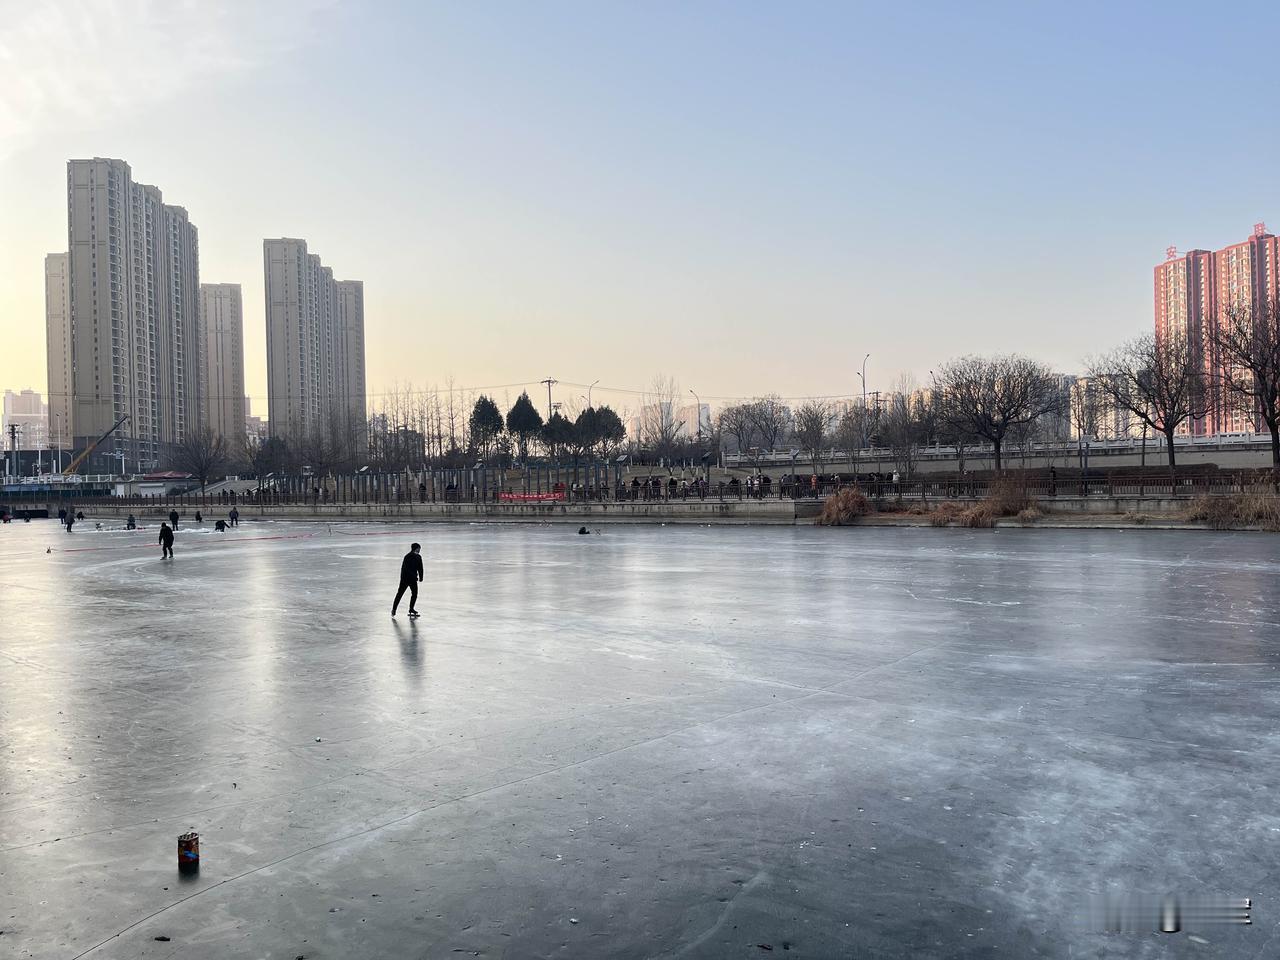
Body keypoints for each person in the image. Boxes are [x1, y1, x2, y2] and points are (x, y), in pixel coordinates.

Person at [392, 542, 424, 618]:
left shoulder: (417, 557)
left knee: (413, 594)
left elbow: (420, 568)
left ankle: (411, 609)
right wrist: (416, 577)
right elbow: (406, 569)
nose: (420, 550)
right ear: (417, 548)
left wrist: (421, 577)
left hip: (410, 579)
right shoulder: (408, 557)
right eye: (419, 548)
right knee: (400, 594)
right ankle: (394, 609)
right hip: (406, 579)